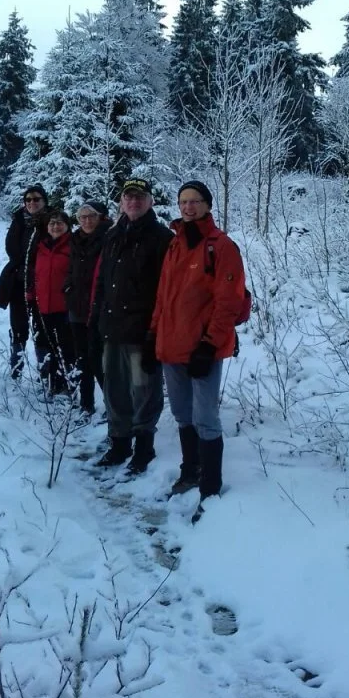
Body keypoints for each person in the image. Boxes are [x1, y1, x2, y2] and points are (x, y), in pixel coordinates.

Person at [150, 180, 246, 520]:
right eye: (183, 201)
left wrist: (209, 344)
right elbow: (164, 296)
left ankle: (210, 487)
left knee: (205, 417)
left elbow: (229, 301)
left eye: (195, 201)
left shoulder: (221, 246)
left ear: (207, 205)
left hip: (202, 347)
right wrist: (153, 333)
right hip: (171, 344)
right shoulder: (175, 244)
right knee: (182, 413)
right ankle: (190, 471)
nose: (188, 207)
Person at [90, 178, 173, 474]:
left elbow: (167, 290)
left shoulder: (162, 238)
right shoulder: (113, 235)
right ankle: (119, 443)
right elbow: (102, 281)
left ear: (150, 201)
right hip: (112, 328)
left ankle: (143, 447)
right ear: (121, 202)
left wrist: (155, 332)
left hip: (142, 331)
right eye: (129, 196)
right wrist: (95, 319)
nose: (134, 201)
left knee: (144, 391)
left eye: (140, 197)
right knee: (114, 390)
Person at [0, 185, 49, 377]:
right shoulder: (19, 220)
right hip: (18, 282)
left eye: (36, 199)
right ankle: (16, 369)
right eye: (28, 199)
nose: (32, 202)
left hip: (43, 283)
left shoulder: (52, 221)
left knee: (42, 329)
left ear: (44, 201)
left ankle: (45, 373)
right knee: (18, 327)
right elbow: (11, 248)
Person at [65, 200, 112, 415]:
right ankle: (86, 404)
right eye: (82, 217)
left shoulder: (109, 238)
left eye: (91, 216)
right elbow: (71, 268)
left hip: (99, 309)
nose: (86, 221)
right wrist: (68, 286)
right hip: (77, 306)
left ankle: (113, 406)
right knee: (82, 358)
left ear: (101, 217)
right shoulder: (75, 239)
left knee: (99, 359)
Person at [30, 209, 74, 395]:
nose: (56, 226)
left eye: (60, 223)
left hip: (64, 308)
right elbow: (35, 275)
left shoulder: (73, 246)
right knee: (48, 348)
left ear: (67, 226)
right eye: (52, 223)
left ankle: (69, 386)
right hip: (43, 308)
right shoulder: (41, 247)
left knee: (66, 349)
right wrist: (31, 296)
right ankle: (52, 384)